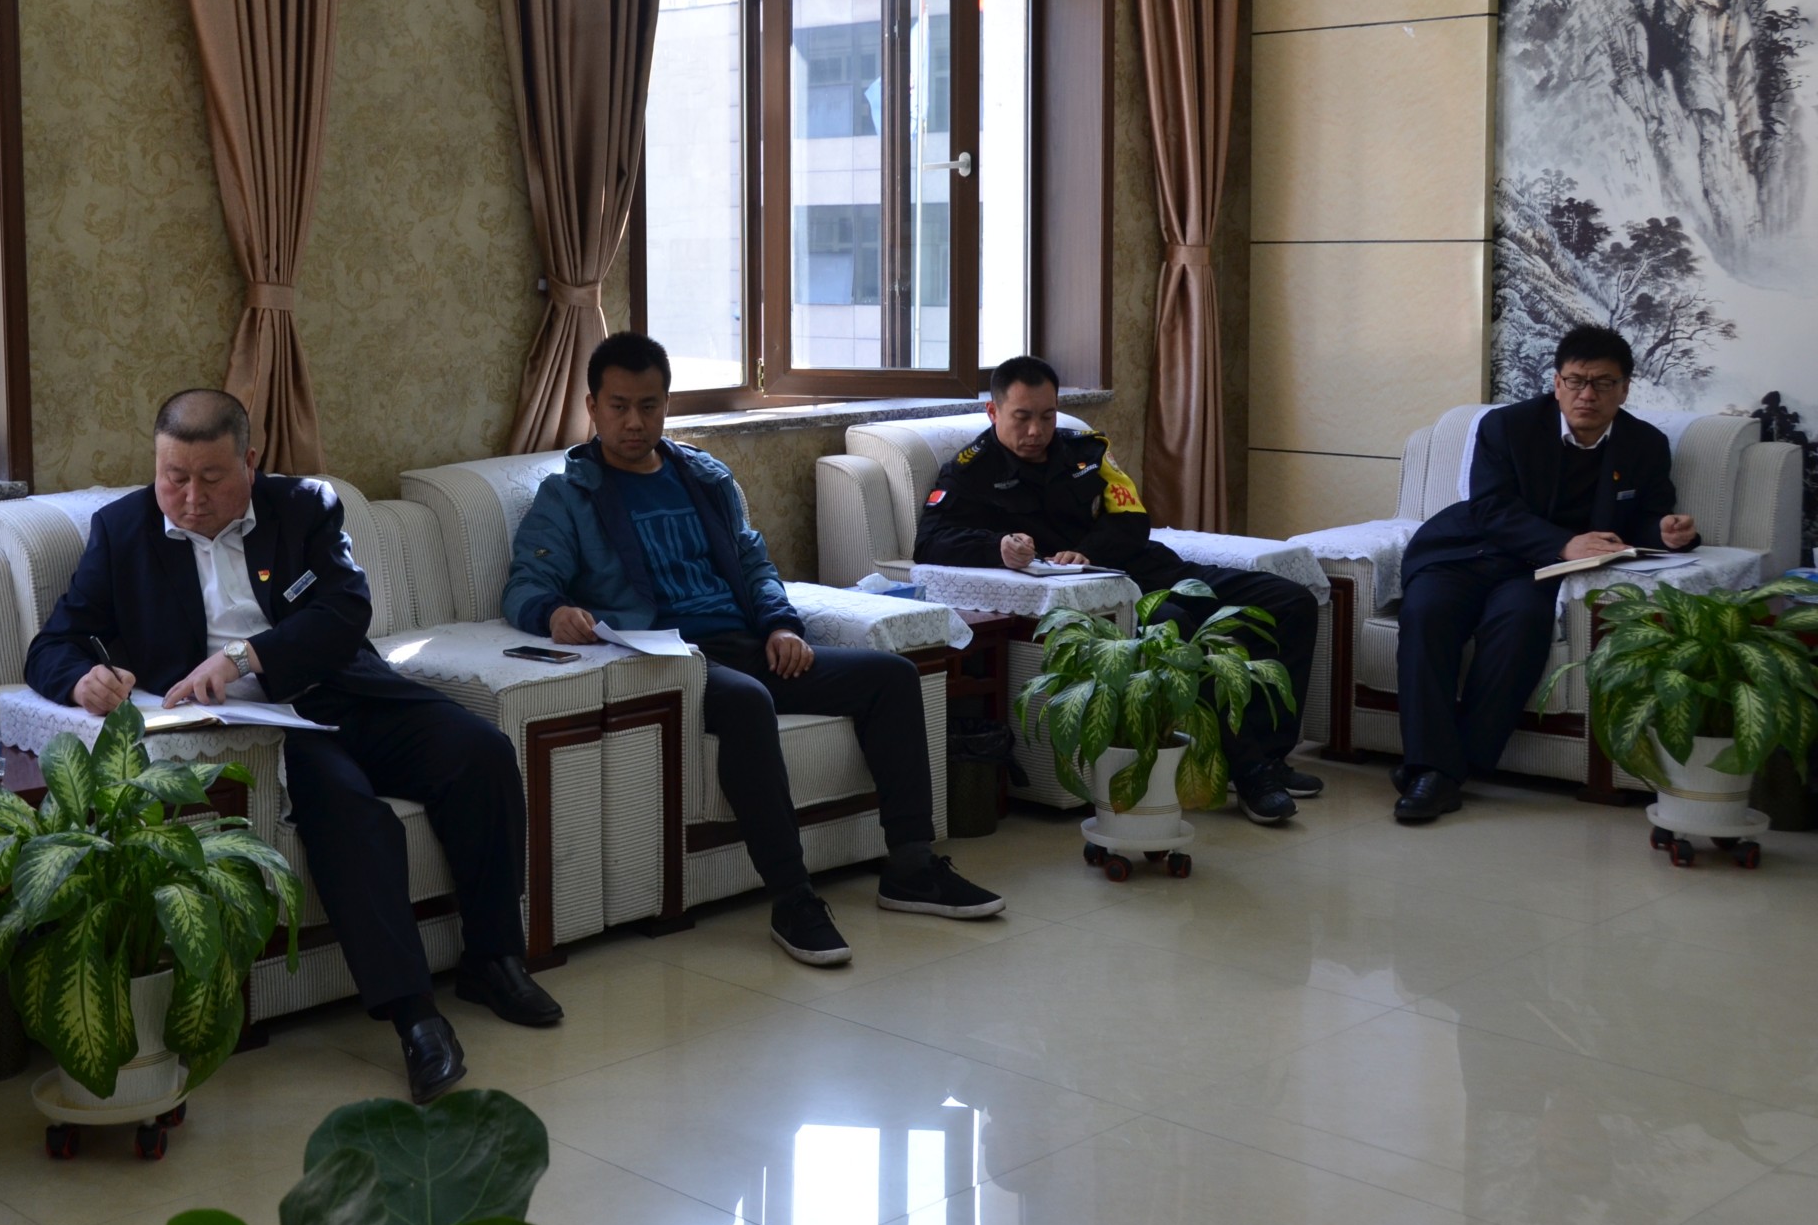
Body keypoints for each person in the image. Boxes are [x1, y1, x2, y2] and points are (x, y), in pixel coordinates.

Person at [27, 389, 559, 1104]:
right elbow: (55, 643)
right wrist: (80, 680)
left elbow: (344, 610)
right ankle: (415, 1019)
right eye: (173, 477)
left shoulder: (305, 507)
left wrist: (244, 657)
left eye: (211, 477)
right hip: (265, 731)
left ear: (249, 461)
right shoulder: (123, 531)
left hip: (346, 692)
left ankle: (494, 960)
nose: (190, 498)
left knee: (480, 752)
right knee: (349, 813)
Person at [503, 332, 1003, 969]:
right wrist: (553, 613)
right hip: (673, 661)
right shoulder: (569, 495)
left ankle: (911, 868)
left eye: (649, 406)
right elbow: (525, 586)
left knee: (891, 677)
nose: (634, 422)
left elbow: (756, 565)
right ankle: (793, 898)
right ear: (592, 407)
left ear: (666, 406)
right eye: (619, 406)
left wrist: (781, 626)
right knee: (746, 703)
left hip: (748, 643)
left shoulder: (703, 477)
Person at [913, 355, 1321, 826]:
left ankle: (1270, 755)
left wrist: (1087, 550)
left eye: (1047, 416)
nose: (1036, 431)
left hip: (1153, 569)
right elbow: (930, 541)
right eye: (1021, 417)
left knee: (1292, 601)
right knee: (1175, 626)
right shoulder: (970, 472)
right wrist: (998, 548)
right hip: (1106, 601)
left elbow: (1132, 518)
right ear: (993, 412)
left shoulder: (1087, 452)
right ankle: (1251, 773)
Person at [1389, 324, 1699, 823]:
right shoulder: (1507, 426)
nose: (1587, 394)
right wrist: (1562, 542)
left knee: (1521, 626)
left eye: (1603, 383)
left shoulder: (1644, 444)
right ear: (1556, 383)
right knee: (1426, 615)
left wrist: (1667, 531)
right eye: (1575, 381)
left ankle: (1438, 772)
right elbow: (1490, 508)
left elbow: (1646, 517)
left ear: (1624, 389)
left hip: (1538, 572)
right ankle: (1436, 769)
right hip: (1468, 552)